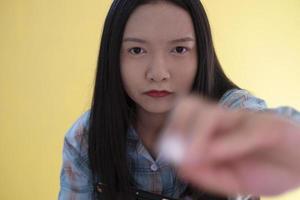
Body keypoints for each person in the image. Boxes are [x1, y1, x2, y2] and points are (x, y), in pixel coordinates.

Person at [58, 0, 300, 200]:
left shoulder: (227, 111)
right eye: (137, 50)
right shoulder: (85, 139)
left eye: (179, 49)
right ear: (113, 56)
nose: (158, 73)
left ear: (201, 54)